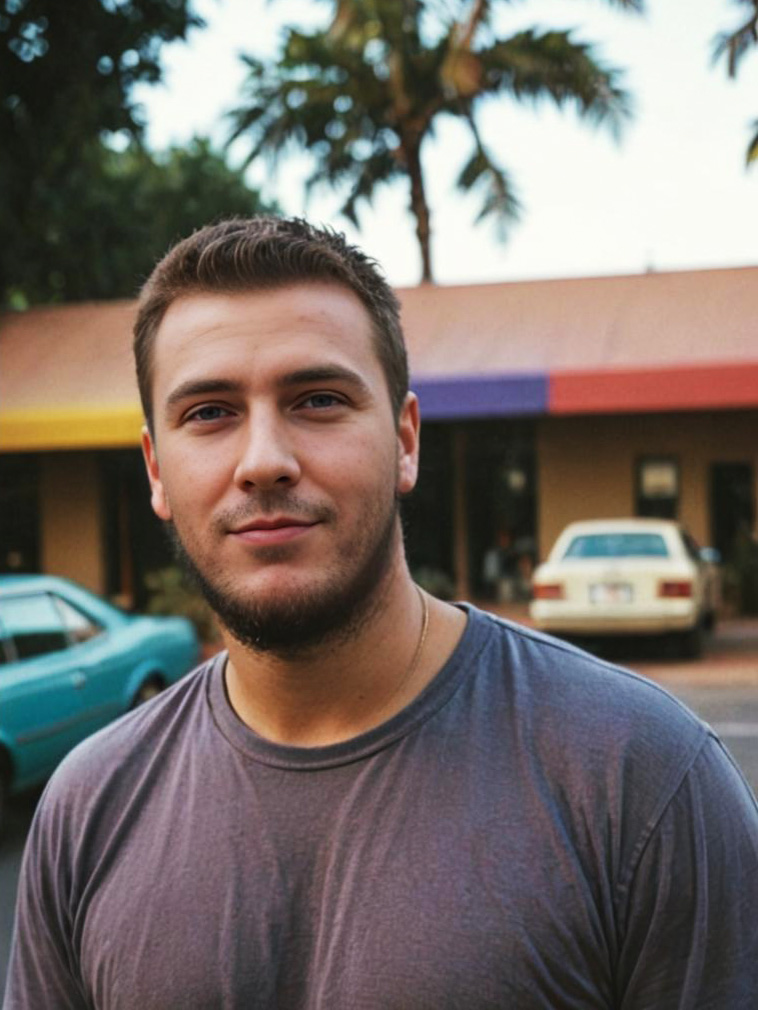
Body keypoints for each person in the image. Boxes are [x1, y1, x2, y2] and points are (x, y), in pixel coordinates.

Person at [5, 217, 758, 1009]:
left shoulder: (639, 777)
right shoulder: (87, 807)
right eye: (209, 413)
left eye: (319, 400)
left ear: (405, 441)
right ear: (156, 468)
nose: (264, 460)